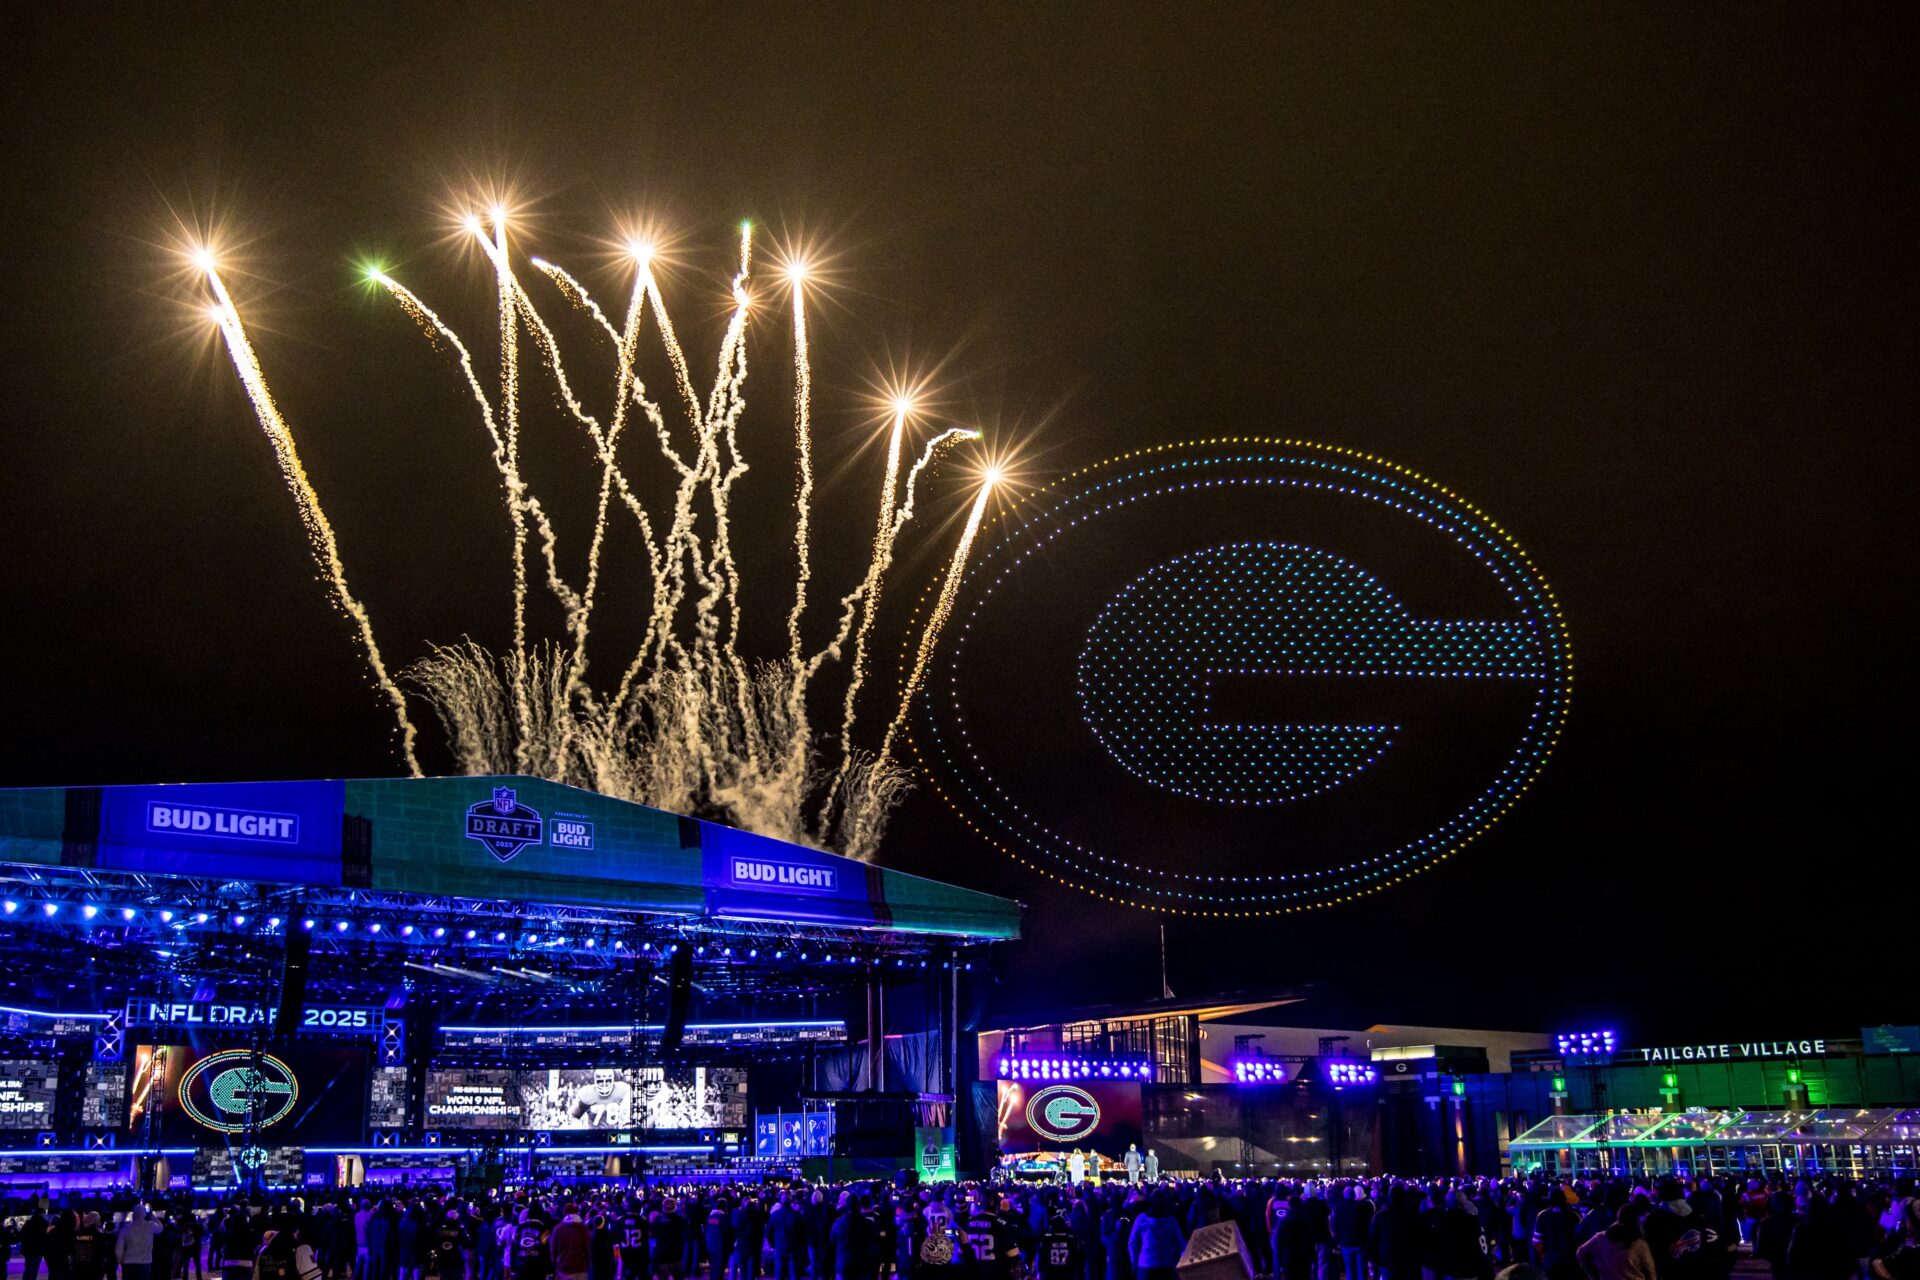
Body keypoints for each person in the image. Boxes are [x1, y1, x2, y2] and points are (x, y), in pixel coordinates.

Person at [1575, 1203, 1655, 1280]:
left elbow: (1580, 1253)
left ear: (1618, 1217)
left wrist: (1593, 1274)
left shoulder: (1600, 1238)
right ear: (1636, 1222)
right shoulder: (1639, 1244)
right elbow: (1650, 1270)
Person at [1126, 1196, 1185, 1280]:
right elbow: (1181, 1243)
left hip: (1146, 1264)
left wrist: (1134, 1263)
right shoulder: (1171, 1220)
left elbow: (1133, 1243)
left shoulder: (1142, 1219)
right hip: (1166, 1263)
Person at [118, 1209, 161, 1280]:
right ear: (144, 1215)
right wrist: (152, 1216)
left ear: (133, 1215)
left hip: (128, 1263)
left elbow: (119, 1248)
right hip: (145, 1263)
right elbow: (161, 1228)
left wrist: (119, 1261)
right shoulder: (150, 1225)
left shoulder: (126, 1228)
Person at [555, 1210, 594, 1280]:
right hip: (580, 1268)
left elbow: (553, 1251)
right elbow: (587, 1250)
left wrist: (556, 1265)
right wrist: (587, 1265)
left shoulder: (558, 1229)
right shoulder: (583, 1230)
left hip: (563, 1268)